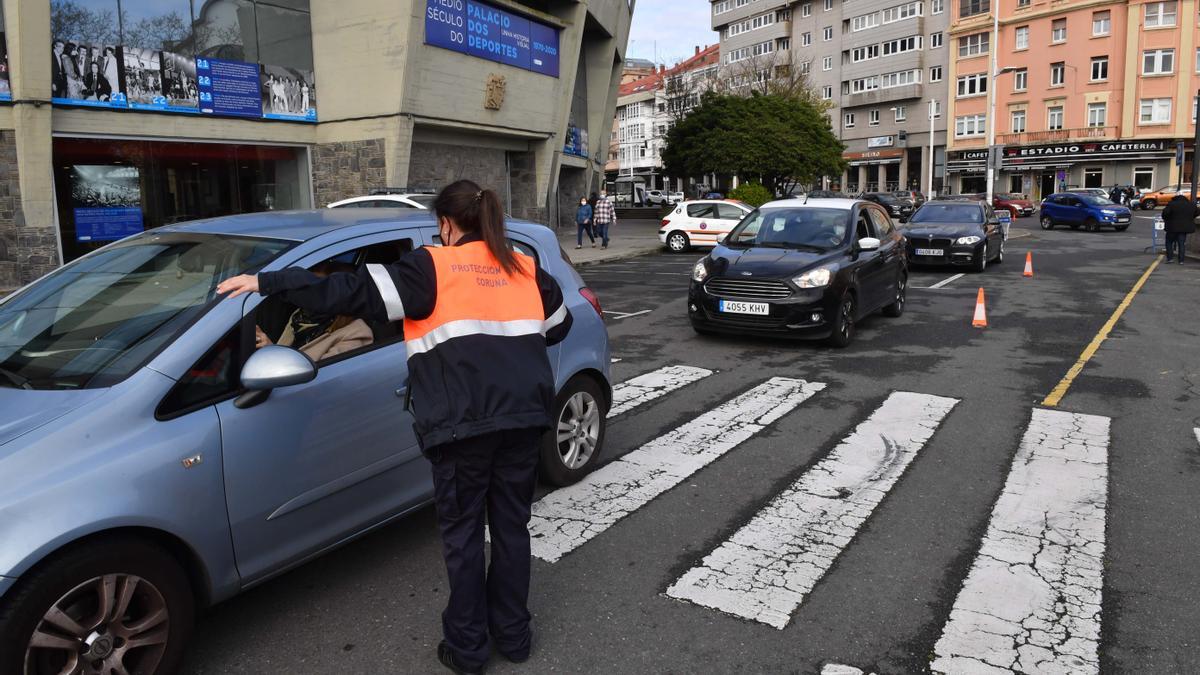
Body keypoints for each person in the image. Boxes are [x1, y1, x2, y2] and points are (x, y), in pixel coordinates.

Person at [217, 179, 573, 675]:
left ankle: (469, 650)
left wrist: (267, 283)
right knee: (512, 530)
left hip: (460, 429)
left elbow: (349, 291)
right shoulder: (525, 268)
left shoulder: (432, 267)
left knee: (465, 536)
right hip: (522, 420)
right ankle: (514, 637)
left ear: (446, 225)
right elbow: (559, 326)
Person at [254, 262, 374, 361]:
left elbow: (320, 378)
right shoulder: (302, 316)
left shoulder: (356, 334)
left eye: (316, 290)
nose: (308, 295)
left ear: (337, 295)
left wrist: (272, 351)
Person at [1162, 193, 1197, 264]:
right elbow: (1197, 212)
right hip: (1184, 228)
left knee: (1169, 242)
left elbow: (1165, 213)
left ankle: (1170, 258)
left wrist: (1167, 219)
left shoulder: (1172, 204)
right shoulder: (1190, 204)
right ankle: (1181, 260)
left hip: (1172, 227)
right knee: (1181, 243)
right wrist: (1190, 218)